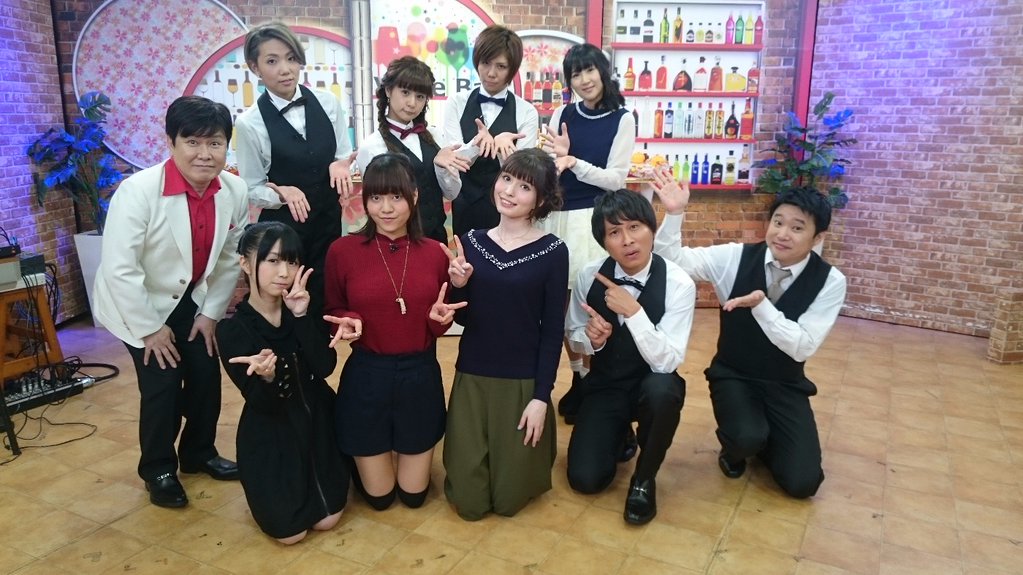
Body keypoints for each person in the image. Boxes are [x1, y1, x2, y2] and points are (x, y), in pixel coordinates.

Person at [650, 169, 847, 498]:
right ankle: (738, 447)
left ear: (817, 238)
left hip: (785, 384)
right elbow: (672, 262)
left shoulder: (831, 281)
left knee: (802, 483)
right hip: (734, 375)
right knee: (745, 438)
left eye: (797, 228)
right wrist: (674, 214)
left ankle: (764, 438)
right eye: (778, 222)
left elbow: (802, 347)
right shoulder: (735, 257)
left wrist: (762, 306)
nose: (783, 234)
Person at [92, 96, 248, 508]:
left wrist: (210, 313)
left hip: (191, 297)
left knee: (205, 375)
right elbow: (120, 269)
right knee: (162, 382)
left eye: (215, 143)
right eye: (192, 142)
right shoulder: (138, 191)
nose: (204, 153)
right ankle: (158, 469)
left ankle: (199, 453)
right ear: (171, 143)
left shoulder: (233, 190)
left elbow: (229, 257)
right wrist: (150, 329)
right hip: (136, 301)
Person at [323, 153, 463, 511]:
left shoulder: (435, 253)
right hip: (367, 375)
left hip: (419, 375)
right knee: (380, 499)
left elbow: (439, 320)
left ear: (414, 196)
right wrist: (346, 318)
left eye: (396, 197)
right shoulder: (342, 251)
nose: (385, 208)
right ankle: (363, 457)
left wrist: (440, 319)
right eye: (375, 197)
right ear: (365, 199)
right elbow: (333, 307)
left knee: (414, 497)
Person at [443, 148, 568, 521]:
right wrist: (459, 286)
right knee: (469, 504)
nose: (509, 191)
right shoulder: (471, 242)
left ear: (541, 200)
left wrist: (541, 398)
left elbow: (552, 331)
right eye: (507, 179)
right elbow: (463, 317)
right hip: (473, 375)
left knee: (508, 501)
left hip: (521, 382)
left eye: (525, 187)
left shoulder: (553, 251)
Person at [564, 189, 694, 525]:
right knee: (585, 480)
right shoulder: (589, 276)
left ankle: (644, 478)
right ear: (604, 242)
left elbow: (667, 361)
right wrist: (592, 340)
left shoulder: (678, 282)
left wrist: (634, 313)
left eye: (635, 227)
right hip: (606, 384)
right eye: (614, 232)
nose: (627, 240)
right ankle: (621, 431)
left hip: (652, 383)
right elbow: (574, 334)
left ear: (651, 228)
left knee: (662, 391)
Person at [215, 222, 346, 544]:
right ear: (245, 263)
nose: (284, 272)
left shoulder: (304, 307)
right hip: (272, 435)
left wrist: (300, 317)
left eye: (291, 261)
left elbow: (325, 367)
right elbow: (263, 404)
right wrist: (269, 377)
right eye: (272, 261)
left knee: (328, 519)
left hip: (318, 423)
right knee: (290, 534)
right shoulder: (233, 331)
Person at [537, 43, 637, 423]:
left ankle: (596, 382)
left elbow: (616, 179)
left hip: (592, 223)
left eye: (589, 70)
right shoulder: (562, 113)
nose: (583, 80)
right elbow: (551, 167)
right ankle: (580, 378)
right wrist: (555, 157)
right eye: (575, 74)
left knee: (588, 306)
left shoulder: (623, 119)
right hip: (554, 220)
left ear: (603, 71)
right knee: (559, 310)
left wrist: (574, 160)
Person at [234, 22, 356, 323]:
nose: (285, 69)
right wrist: (280, 193)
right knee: (284, 307)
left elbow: (343, 154)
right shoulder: (250, 123)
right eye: (272, 61)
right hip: (283, 232)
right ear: (255, 67)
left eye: (291, 58)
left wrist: (341, 164)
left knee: (321, 300)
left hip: (327, 223)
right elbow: (251, 187)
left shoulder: (328, 103)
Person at [356, 56, 467, 245]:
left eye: (420, 96)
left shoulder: (436, 136)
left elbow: (451, 194)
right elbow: (374, 206)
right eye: (405, 92)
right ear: (388, 90)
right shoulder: (372, 146)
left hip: (436, 240)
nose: (412, 103)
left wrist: (442, 168)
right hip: (396, 242)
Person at [442, 24, 538, 236]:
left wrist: (504, 151)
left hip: (510, 209)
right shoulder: (456, 103)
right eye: (485, 63)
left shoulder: (527, 112)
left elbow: (526, 174)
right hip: (466, 205)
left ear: (512, 69)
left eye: (501, 66)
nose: (491, 73)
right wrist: (477, 144)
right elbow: (454, 161)